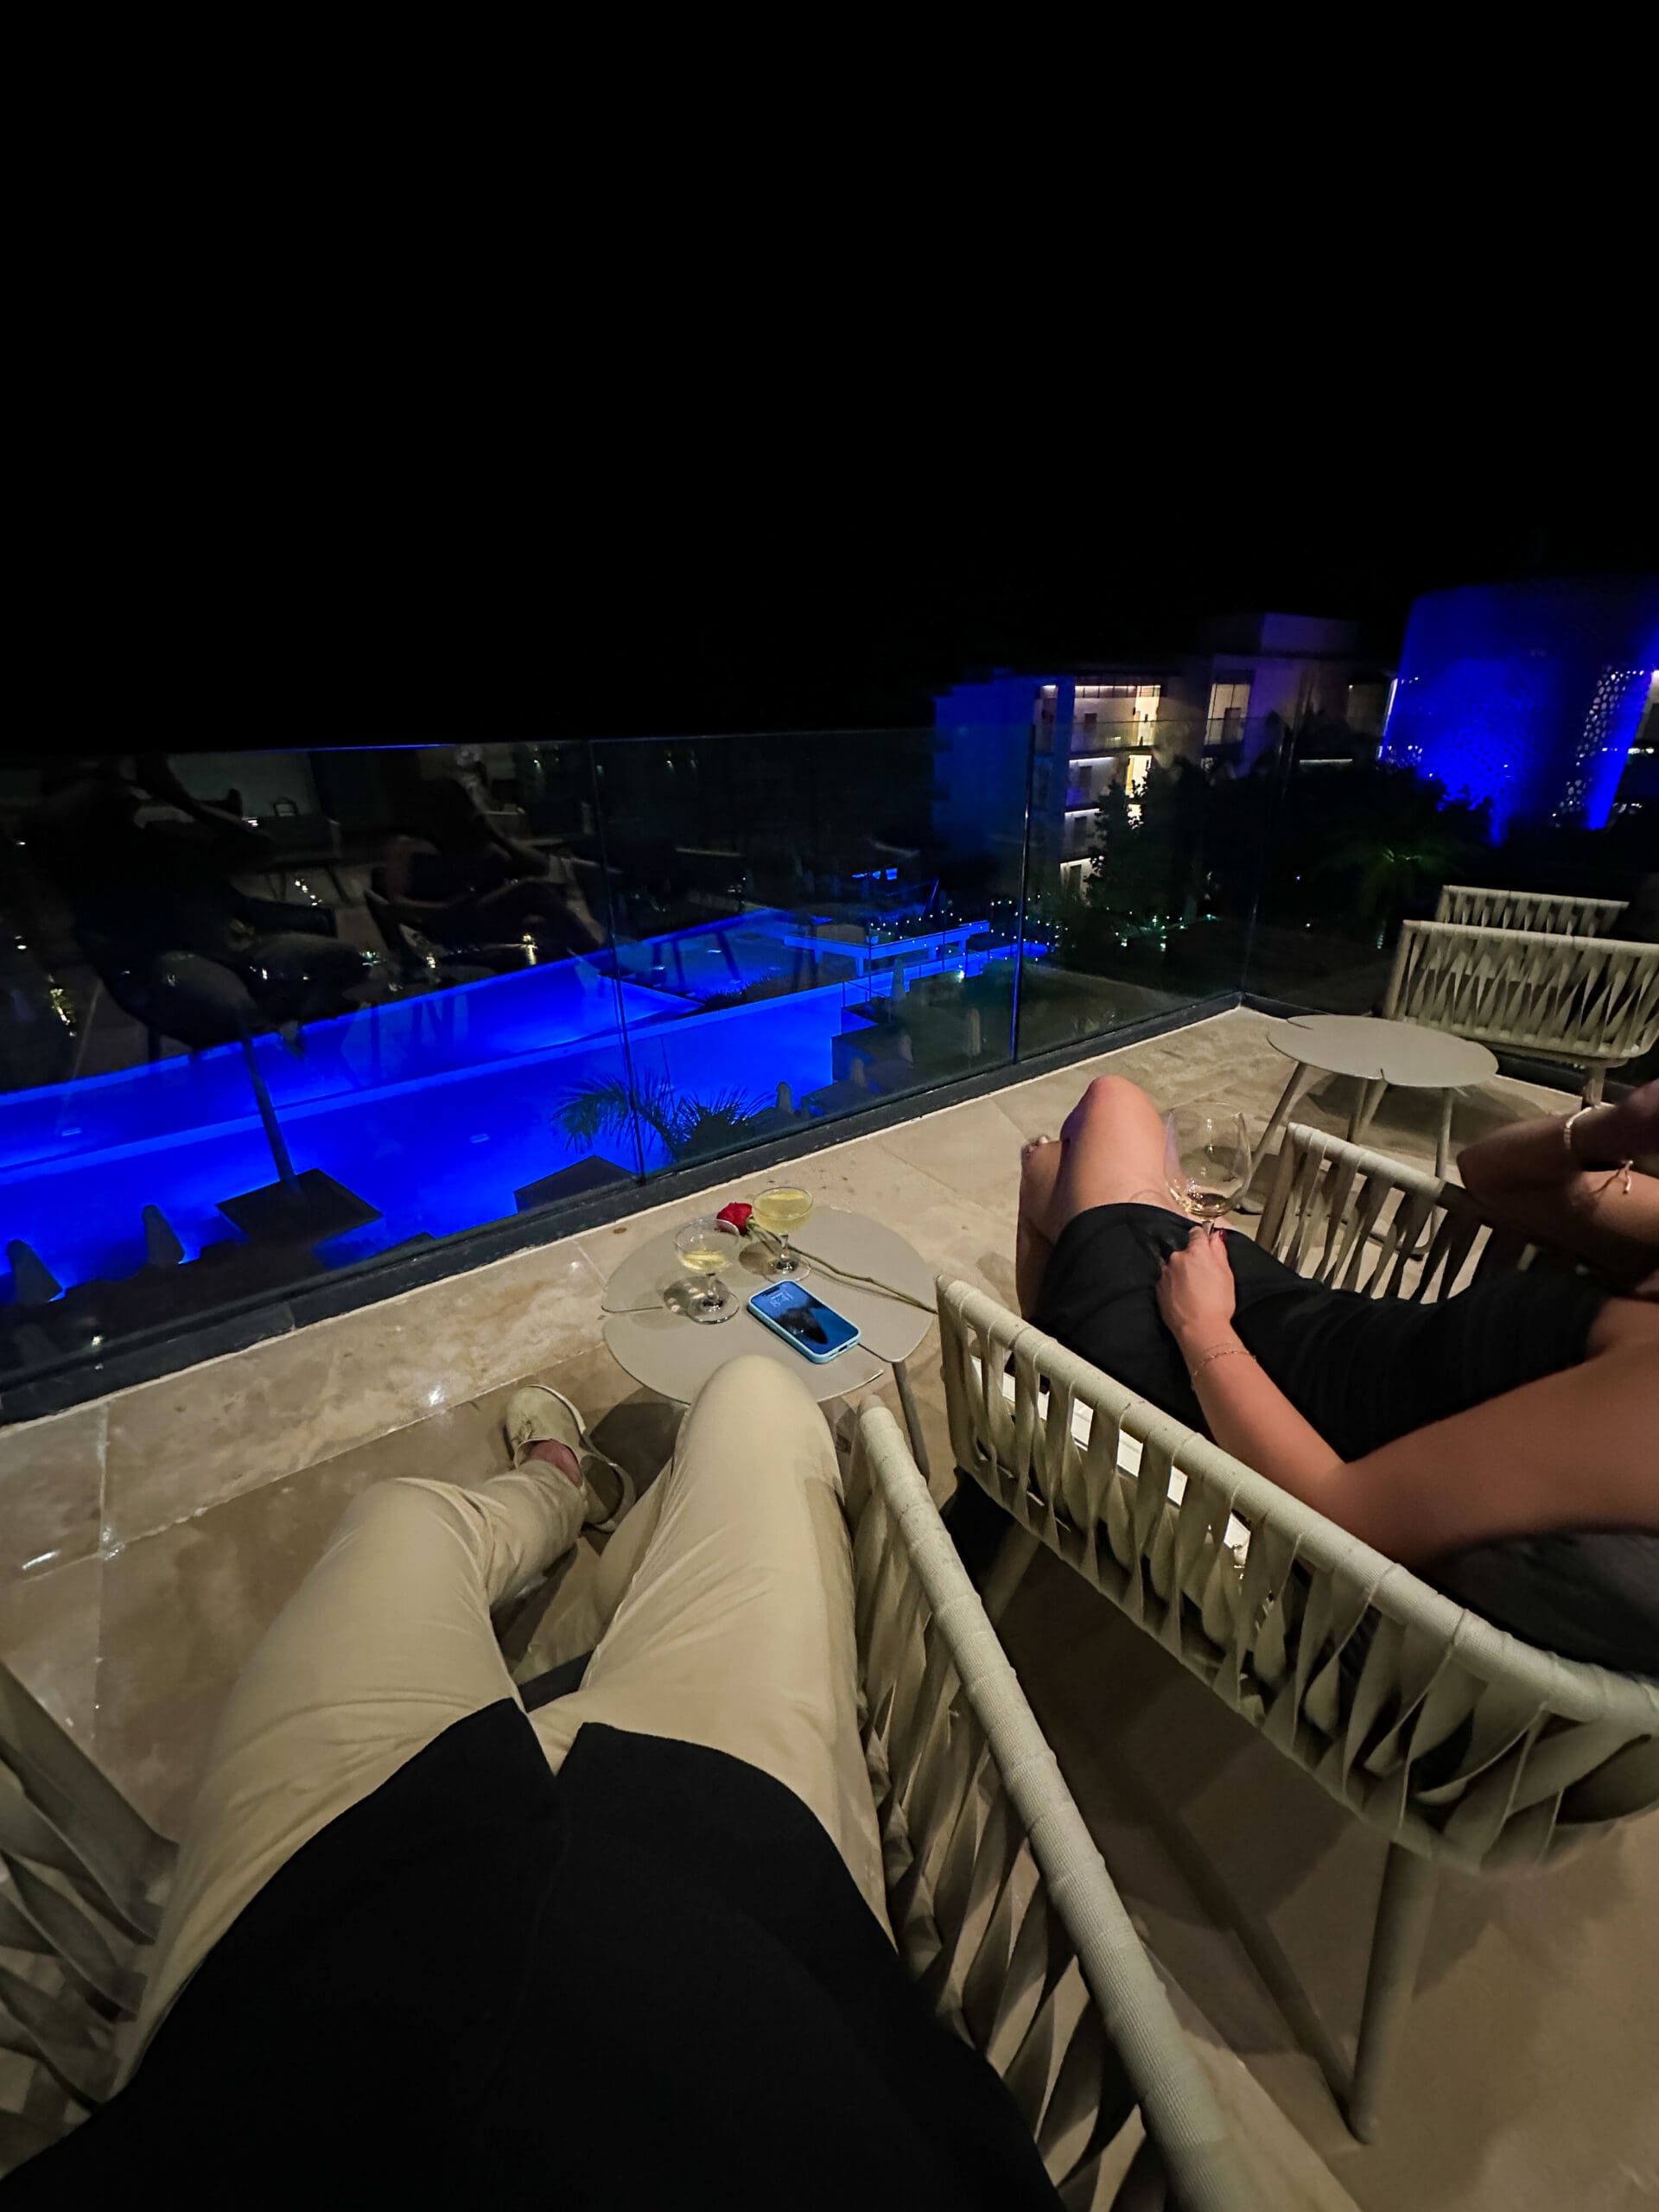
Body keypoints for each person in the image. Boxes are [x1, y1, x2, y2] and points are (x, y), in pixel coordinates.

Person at [11, 1359, 1059, 2208]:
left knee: (399, 1518)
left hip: (323, 1917)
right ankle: (584, 1531)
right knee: (760, 1395)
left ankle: (560, 1491)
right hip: (741, 1879)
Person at [999, 1077, 1656, 1643]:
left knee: (1082, 1132)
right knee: (1072, 1163)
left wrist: (1202, 1327)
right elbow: (1489, 1172)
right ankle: (1067, 1334)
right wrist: (1620, 1126)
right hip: (1298, 1322)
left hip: (1235, 1390)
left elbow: (1342, 1513)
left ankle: (1057, 1372)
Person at [381, 775, 603, 959]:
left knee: (543, 917)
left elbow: (538, 866)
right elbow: (396, 900)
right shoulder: (405, 846)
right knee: (531, 889)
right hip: (443, 919)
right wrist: (443, 908)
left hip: (478, 910)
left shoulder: (466, 842)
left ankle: (568, 986)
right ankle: (598, 957)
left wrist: (496, 836)